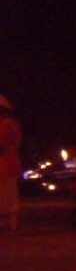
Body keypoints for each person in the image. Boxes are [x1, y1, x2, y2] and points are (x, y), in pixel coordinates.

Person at [0, 95, 22, 232]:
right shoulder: (8, 123)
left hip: (6, 163)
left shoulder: (7, 124)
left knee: (7, 194)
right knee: (6, 194)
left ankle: (10, 223)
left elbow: (3, 143)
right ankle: (7, 223)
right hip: (7, 162)